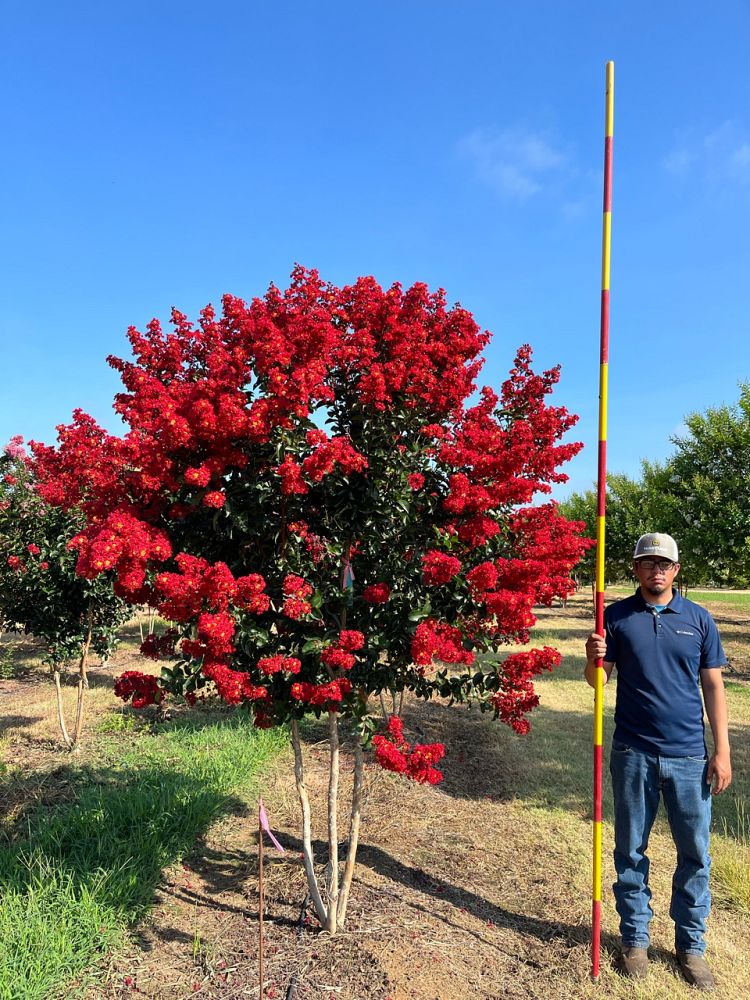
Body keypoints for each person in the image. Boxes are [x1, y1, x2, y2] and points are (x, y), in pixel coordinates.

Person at [585, 532, 732, 991]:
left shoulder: (699, 619)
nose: (657, 571)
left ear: (676, 569)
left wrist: (721, 751)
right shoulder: (615, 617)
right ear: (636, 569)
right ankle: (635, 940)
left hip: (689, 756)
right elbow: (596, 682)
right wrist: (593, 660)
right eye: (648, 563)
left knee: (696, 855)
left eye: (664, 564)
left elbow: (713, 687)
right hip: (633, 754)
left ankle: (691, 947)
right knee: (630, 851)